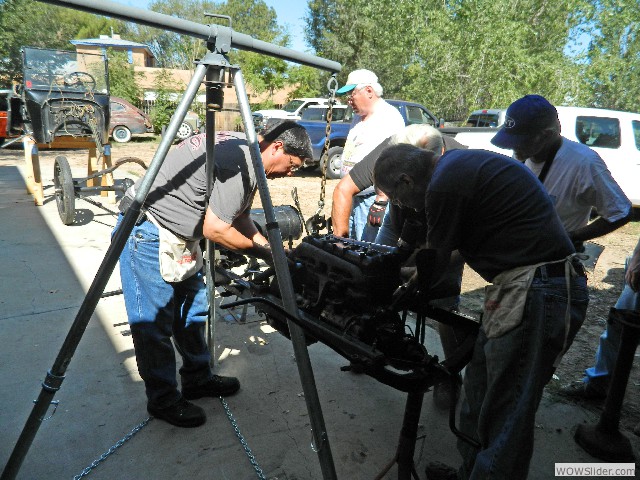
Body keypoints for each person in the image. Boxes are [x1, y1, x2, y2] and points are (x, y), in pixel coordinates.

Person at [373, 144, 589, 480]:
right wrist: (406, 275)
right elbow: (460, 250)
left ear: (406, 180)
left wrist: (398, 289)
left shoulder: (444, 183)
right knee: (478, 395)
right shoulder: (457, 168)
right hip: (517, 288)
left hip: (537, 289)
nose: (401, 206)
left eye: (397, 198)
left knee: (506, 412)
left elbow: (436, 260)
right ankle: (469, 472)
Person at [115, 120, 313, 428]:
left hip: (180, 237)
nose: (291, 173)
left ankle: (197, 379)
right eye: (292, 165)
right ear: (277, 147)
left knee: (193, 312)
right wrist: (264, 254)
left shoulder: (248, 152)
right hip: (148, 232)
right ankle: (163, 400)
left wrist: (271, 249)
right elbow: (217, 229)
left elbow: (239, 215)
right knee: (153, 325)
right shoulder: (241, 161)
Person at [491, 94, 633, 400]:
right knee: (503, 341)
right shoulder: (524, 156)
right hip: (514, 264)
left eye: (521, 141)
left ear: (547, 135)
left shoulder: (584, 162)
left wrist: (572, 237)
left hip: (550, 271)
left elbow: (619, 211)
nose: (515, 148)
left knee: (531, 353)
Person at [331, 124, 467, 409]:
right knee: (378, 275)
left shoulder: (456, 170)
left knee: (441, 301)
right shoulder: (395, 150)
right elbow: (346, 189)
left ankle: (449, 375)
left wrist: (417, 275)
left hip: (451, 233)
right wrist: (381, 263)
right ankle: (372, 344)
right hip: (410, 221)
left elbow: (454, 249)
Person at [335, 68, 405, 241]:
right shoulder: (358, 118)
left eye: (352, 93)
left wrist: (381, 199)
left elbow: (395, 160)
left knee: (367, 250)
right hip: (352, 197)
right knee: (351, 247)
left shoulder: (389, 117)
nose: (349, 100)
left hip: (371, 200)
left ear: (369, 91)